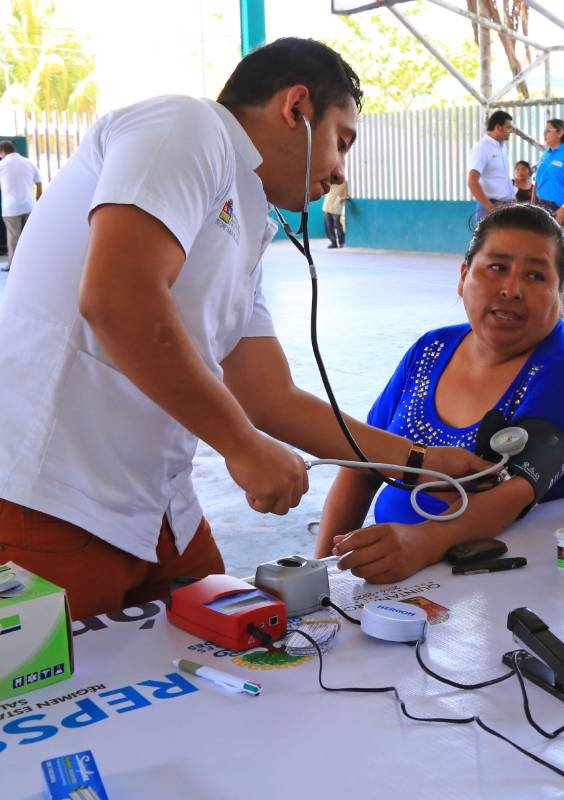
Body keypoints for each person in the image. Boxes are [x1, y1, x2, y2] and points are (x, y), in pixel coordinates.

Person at [0, 38, 487, 619]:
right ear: (296, 107)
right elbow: (117, 298)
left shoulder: (249, 220)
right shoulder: (186, 127)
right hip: (53, 499)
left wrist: (420, 463)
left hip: (157, 507)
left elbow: (269, 396)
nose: (339, 171)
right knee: (69, 679)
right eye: (341, 141)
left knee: (238, 651)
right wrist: (242, 447)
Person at [317, 204, 564, 583]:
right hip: (411, 586)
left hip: (528, 590)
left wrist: (422, 543)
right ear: (464, 276)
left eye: (535, 275)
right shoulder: (430, 350)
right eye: (496, 267)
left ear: (559, 293)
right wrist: (321, 577)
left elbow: (514, 491)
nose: (512, 289)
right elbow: (362, 465)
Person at [467, 110, 515, 225]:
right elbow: (472, 181)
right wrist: (490, 207)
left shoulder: (502, 147)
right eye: (508, 127)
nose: (510, 131)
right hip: (491, 207)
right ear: (498, 127)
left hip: (506, 206)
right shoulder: (482, 148)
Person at [532, 119, 564, 226]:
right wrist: (532, 206)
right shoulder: (545, 155)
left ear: (560, 133)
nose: (544, 134)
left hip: (560, 209)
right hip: (542, 207)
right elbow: (536, 182)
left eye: (548, 130)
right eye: (544, 131)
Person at [0, 140, 42, 268]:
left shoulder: (2, 165)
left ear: (2, 152)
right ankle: (34, 262)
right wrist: (38, 197)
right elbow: (39, 182)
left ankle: (13, 266)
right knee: (31, 236)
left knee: (13, 237)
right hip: (29, 205)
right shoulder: (28, 162)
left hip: (11, 208)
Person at [323, 177, 349, 248]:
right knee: (328, 226)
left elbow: (346, 195)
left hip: (336, 208)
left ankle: (342, 242)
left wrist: (341, 199)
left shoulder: (344, 183)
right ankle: (333, 242)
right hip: (327, 207)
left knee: (338, 225)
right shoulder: (329, 182)